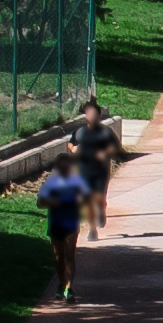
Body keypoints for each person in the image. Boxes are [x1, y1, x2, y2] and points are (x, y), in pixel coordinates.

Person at [33, 153, 91, 302]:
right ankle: (61, 283)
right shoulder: (50, 183)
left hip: (71, 223)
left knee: (69, 255)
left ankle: (69, 288)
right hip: (55, 223)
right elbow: (40, 204)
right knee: (58, 257)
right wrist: (54, 202)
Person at [70, 100, 130, 236]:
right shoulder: (80, 132)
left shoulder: (105, 132)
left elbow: (116, 147)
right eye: (88, 113)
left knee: (99, 199)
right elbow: (71, 143)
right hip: (84, 170)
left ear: (99, 115)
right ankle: (92, 229)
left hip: (101, 171)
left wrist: (105, 152)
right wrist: (73, 148)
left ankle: (101, 209)